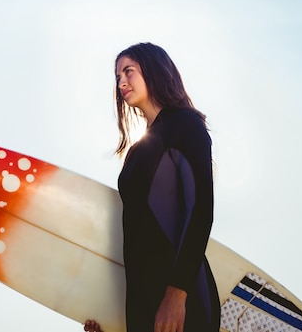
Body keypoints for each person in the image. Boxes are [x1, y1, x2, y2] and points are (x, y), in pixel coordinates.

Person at [84, 43, 220, 332]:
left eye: (128, 71)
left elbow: (200, 211)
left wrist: (177, 293)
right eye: (117, 75)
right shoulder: (135, 152)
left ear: (154, 70)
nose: (121, 82)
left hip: (182, 299)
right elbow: (133, 233)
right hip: (142, 299)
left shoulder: (186, 126)